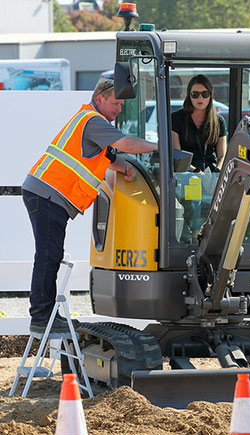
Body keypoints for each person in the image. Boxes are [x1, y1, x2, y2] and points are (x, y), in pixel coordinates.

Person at [22, 77, 158, 334]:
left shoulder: (90, 120)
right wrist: (161, 147)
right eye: (115, 103)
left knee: (50, 255)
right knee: (48, 256)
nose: (118, 109)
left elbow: (108, 157)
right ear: (100, 99)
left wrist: (124, 167)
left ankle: (45, 316)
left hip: (45, 193)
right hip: (49, 193)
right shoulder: (93, 121)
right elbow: (125, 144)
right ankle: (42, 318)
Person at [171, 75, 227, 173]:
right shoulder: (176, 119)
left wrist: (217, 172)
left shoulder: (219, 121)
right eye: (195, 94)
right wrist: (196, 172)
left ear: (210, 95)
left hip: (212, 175)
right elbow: (177, 155)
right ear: (189, 95)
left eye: (205, 94)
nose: (200, 98)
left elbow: (222, 156)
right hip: (185, 175)